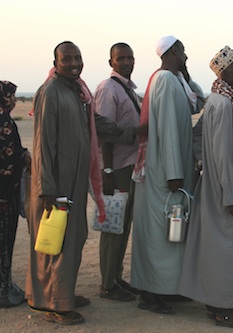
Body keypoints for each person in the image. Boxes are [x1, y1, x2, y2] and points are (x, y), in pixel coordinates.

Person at [26, 41, 138, 325]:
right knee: (56, 240)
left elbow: (97, 123)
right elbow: (43, 145)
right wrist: (47, 189)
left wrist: (135, 132)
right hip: (56, 184)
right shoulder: (50, 92)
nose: (74, 63)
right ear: (56, 61)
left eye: (78, 58)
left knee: (74, 237)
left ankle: (64, 294)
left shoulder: (78, 92)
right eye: (67, 59)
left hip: (74, 181)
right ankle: (55, 304)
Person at [179, 46, 233, 330]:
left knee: (225, 250)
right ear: (224, 72)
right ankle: (224, 309)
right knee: (231, 252)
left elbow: (206, 142)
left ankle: (220, 304)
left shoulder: (223, 100)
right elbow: (221, 153)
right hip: (229, 192)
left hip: (226, 187)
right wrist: (229, 194)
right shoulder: (224, 103)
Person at [130, 35, 203, 315]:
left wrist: (186, 73)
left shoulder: (175, 80)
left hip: (174, 170)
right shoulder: (164, 80)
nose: (186, 55)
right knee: (159, 236)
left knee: (173, 235)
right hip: (164, 173)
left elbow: (197, 103)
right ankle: (149, 293)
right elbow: (169, 129)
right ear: (173, 51)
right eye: (182, 51)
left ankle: (168, 288)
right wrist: (174, 173)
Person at [94, 43, 140, 302]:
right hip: (117, 167)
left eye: (129, 57)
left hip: (129, 166)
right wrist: (107, 170)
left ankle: (115, 278)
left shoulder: (127, 89)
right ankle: (107, 285)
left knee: (123, 225)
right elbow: (104, 132)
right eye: (120, 58)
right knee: (113, 227)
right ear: (110, 61)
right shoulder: (109, 88)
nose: (126, 62)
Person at [0, 81, 30, 308]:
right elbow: (9, 160)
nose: (14, 101)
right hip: (4, 197)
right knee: (4, 244)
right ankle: (3, 290)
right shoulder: (5, 123)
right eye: (11, 97)